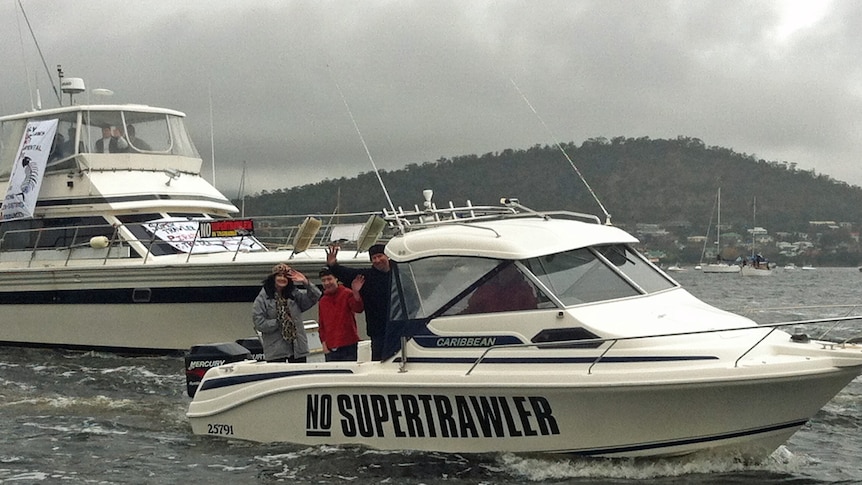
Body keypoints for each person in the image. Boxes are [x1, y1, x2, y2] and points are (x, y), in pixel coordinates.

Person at [326, 243, 393, 361]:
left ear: (387, 256)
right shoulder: (365, 277)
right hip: (377, 332)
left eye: (379, 256)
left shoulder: (399, 273)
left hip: (398, 328)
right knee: (379, 363)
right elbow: (345, 273)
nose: (377, 260)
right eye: (374, 258)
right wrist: (333, 265)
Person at [252, 263, 321, 363]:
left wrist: (305, 281)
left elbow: (316, 296)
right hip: (276, 352)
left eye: (285, 276)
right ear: (273, 278)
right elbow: (259, 323)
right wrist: (280, 322)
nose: (282, 279)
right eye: (279, 275)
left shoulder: (294, 294)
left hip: (298, 350)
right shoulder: (262, 298)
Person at [317, 268, 364, 361]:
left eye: (329, 279)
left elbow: (358, 309)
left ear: (336, 279)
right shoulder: (322, 300)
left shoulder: (347, 293)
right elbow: (321, 325)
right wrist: (324, 344)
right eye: (323, 280)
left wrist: (356, 292)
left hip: (349, 346)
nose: (327, 283)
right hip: (330, 349)